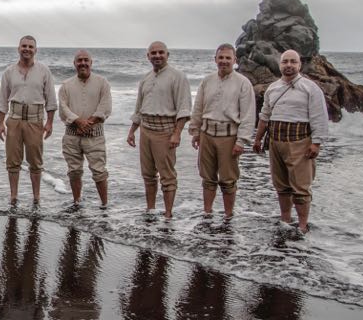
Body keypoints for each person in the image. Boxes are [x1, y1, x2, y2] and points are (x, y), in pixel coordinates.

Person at [253, 49, 329, 233]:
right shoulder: (273, 88)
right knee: (281, 186)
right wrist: (257, 139)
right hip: (275, 142)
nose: (289, 65)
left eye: (293, 62)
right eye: (285, 61)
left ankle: (302, 225)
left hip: (300, 142)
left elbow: (319, 117)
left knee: (301, 187)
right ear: (280, 65)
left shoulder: (310, 88)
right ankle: (285, 220)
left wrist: (316, 143)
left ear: (299, 65)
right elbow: (265, 116)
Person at [189, 43, 256, 218]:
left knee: (228, 180)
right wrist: (195, 131)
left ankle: (228, 216)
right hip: (207, 134)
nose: (224, 61)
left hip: (229, 137)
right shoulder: (207, 81)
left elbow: (249, 114)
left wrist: (241, 141)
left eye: (228, 58)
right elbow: (198, 107)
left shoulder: (243, 83)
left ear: (235, 60)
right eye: (221, 58)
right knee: (207, 178)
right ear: (215, 59)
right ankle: (207, 213)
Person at [126, 41, 192, 218]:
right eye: (153, 53)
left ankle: (168, 214)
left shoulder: (177, 77)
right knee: (148, 175)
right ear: (148, 56)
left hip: (166, 131)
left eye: (161, 52)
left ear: (167, 55)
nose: (157, 56)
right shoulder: (146, 79)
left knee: (167, 176)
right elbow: (139, 108)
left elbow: (184, 109)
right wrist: (132, 131)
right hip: (146, 129)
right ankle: (151, 210)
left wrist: (177, 133)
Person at [0, 35, 56, 204]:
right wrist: (0, 123)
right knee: (13, 161)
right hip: (14, 119)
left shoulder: (44, 71)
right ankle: (13, 196)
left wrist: (49, 122)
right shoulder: (9, 72)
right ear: (18, 48)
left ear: (35, 50)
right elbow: (2, 100)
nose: (27, 49)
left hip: (35, 120)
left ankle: (36, 197)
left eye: (30, 47)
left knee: (35, 162)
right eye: (24, 46)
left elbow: (51, 99)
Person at [58, 50, 112, 206]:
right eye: (79, 60)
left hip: (95, 135)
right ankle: (76, 202)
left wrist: (88, 123)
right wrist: (77, 121)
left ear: (91, 63)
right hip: (72, 135)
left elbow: (105, 107)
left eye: (86, 60)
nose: (83, 63)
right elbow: (63, 108)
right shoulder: (66, 86)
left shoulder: (102, 83)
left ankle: (104, 205)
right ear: (74, 64)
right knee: (74, 171)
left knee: (99, 171)